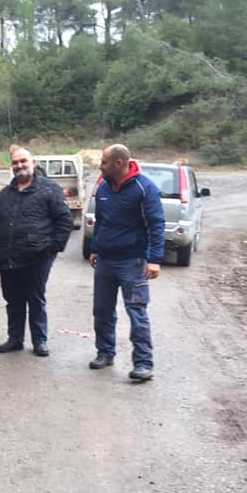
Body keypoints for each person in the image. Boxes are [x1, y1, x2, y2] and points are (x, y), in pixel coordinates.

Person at [0, 147, 73, 354]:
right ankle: (15, 339)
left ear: (33, 163)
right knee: (13, 299)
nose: (19, 166)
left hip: (38, 257)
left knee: (35, 297)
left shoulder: (49, 189)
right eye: (15, 162)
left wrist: (53, 247)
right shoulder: (3, 195)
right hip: (8, 257)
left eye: (23, 161)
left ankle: (39, 341)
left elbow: (64, 220)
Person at [88, 143, 165, 381]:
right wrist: (95, 248)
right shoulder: (103, 186)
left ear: (118, 163)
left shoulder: (144, 188)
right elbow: (101, 220)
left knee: (136, 313)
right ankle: (105, 353)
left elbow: (156, 224)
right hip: (106, 261)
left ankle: (143, 364)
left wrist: (154, 260)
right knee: (101, 311)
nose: (100, 166)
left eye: (103, 162)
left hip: (133, 262)